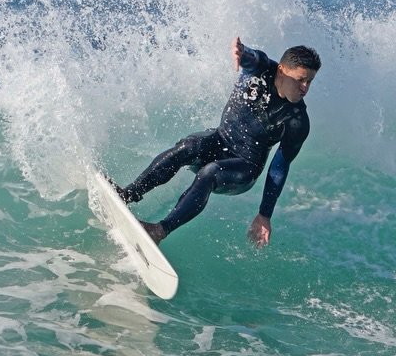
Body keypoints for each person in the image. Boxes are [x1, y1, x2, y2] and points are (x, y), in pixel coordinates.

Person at [117, 37, 321, 248]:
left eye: (310, 82)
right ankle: (128, 194)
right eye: (300, 79)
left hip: (244, 168)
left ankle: (159, 230)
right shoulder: (260, 69)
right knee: (187, 147)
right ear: (282, 70)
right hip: (220, 139)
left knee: (210, 172)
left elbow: (279, 167)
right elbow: (251, 58)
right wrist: (241, 52)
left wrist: (264, 214)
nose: (305, 87)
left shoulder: (297, 120)